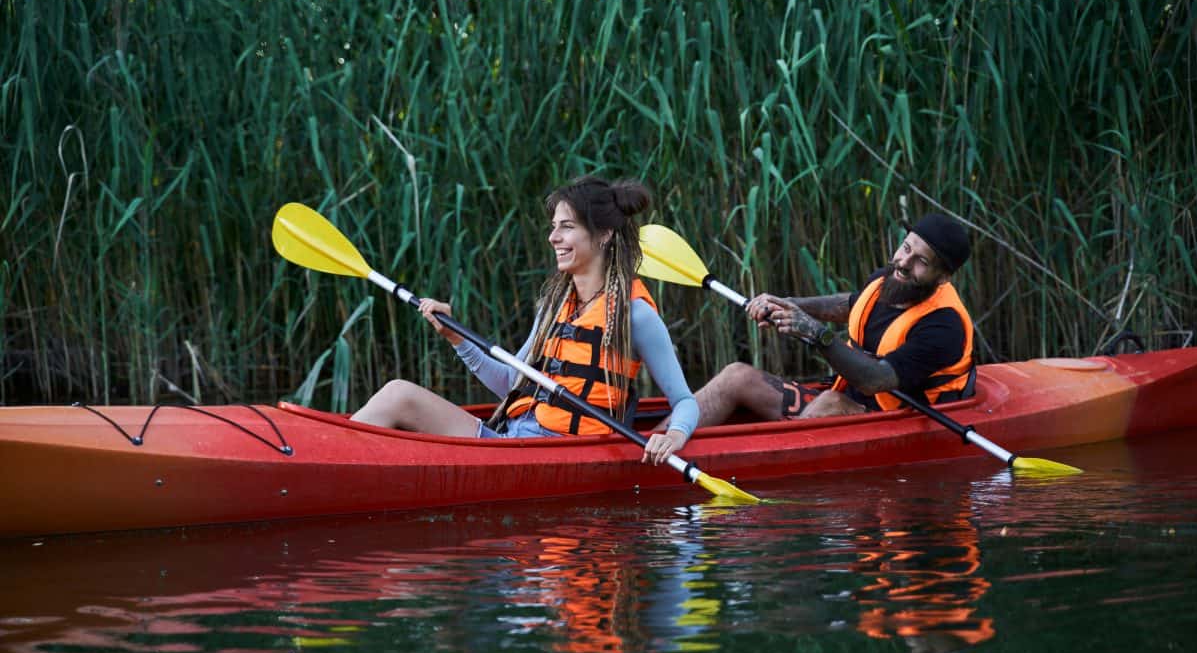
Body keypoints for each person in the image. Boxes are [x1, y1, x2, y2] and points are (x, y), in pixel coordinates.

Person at [350, 176, 699, 466]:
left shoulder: (634, 314)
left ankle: (326, 459)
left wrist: (673, 436)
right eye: (553, 227)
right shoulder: (553, 305)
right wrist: (457, 339)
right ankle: (328, 455)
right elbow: (511, 384)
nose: (553, 238)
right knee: (397, 395)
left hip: (557, 456)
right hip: (507, 441)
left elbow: (685, 401)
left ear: (604, 234)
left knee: (397, 395)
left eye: (567, 227)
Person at [654, 213, 974, 439]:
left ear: (943, 277)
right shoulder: (888, 278)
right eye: (906, 248)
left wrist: (814, 332)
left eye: (922, 261)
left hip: (897, 417)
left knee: (830, 404)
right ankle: (653, 441)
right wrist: (791, 304)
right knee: (737, 376)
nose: (904, 262)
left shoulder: (943, 327)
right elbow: (852, 305)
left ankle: (764, 460)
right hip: (850, 399)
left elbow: (875, 381)